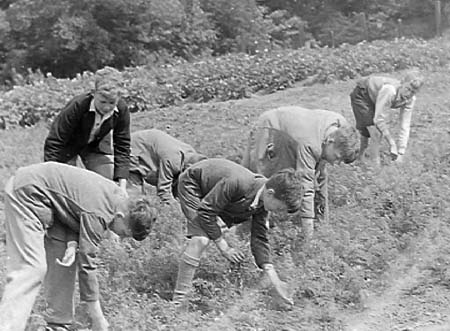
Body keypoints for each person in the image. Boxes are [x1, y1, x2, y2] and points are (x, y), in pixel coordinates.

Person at [0, 162, 157, 331]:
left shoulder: (119, 199)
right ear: (120, 216)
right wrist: (97, 318)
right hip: (26, 193)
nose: (121, 237)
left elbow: (72, 204)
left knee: (65, 260)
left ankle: (57, 324)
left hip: (46, 200)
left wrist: (71, 242)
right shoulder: (100, 213)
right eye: (124, 233)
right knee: (31, 268)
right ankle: (8, 326)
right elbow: (87, 265)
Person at [42, 66, 131, 330]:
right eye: (102, 102)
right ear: (93, 94)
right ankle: (70, 237)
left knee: (107, 188)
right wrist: (58, 177)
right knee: (71, 198)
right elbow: (54, 142)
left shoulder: (121, 110)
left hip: (94, 148)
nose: (106, 107)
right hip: (65, 150)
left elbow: (123, 145)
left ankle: (111, 231)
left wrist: (121, 185)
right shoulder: (77, 107)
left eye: (111, 103)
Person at [172, 158, 303, 311]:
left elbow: (259, 237)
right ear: (270, 193)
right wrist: (224, 247)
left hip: (215, 195)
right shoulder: (238, 183)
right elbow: (206, 212)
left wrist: (274, 278)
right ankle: (178, 302)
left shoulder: (262, 201)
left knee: (214, 230)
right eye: (280, 208)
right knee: (201, 239)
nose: (278, 213)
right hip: (193, 185)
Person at [241, 106, 359, 238]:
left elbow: (320, 178)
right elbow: (306, 186)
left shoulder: (341, 129)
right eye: (337, 158)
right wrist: (309, 237)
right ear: (330, 141)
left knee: (315, 176)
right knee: (260, 176)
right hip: (270, 127)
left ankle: (319, 223)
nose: (334, 163)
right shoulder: (310, 143)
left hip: (294, 134)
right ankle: (246, 221)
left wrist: (323, 223)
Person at [350, 69, 425, 164]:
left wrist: (401, 152)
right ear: (402, 83)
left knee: (371, 129)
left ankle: (360, 158)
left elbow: (405, 124)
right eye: (407, 89)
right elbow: (378, 120)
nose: (408, 94)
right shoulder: (389, 90)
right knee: (375, 132)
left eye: (413, 92)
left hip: (376, 96)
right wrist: (391, 142)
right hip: (363, 93)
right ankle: (374, 165)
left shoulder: (410, 100)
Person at [128, 129, 207, 204]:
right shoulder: (173, 160)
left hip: (150, 144)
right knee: (136, 197)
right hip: (133, 148)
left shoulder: (190, 154)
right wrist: (176, 209)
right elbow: (164, 192)